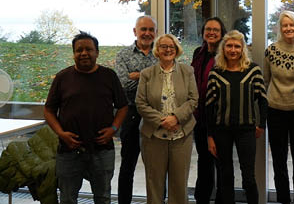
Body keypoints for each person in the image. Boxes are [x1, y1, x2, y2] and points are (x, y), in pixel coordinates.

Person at [44, 32, 128, 204]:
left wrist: (113, 129)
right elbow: (48, 110)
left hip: (102, 149)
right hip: (68, 150)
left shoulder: (109, 76)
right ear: (73, 53)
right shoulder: (62, 77)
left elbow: (123, 106)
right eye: (79, 50)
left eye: (88, 49)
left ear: (97, 52)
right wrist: (61, 134)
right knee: (67, 198)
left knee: (103, 197)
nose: (84, 53)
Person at [206, 30, 268, 204]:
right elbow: (209, 107)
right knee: (225, 175)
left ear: (243, 49)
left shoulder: (253, 70)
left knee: (248, 176)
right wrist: (210, 136)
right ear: (223, 48)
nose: (233, 50)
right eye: (229, 46)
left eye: (237, 46)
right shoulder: (216, 72)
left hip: (246, 130)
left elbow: (263, 101)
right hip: (221, 131)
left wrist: (261, 125)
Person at [136, 34, 198, 204]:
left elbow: (193, 99)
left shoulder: (187, 71)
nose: (168, 49)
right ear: (157, 50)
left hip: (181, 136)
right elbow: (140, 103)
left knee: (179, 184)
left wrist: (176, 118)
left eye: (171, 46)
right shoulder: (147, 74)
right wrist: (164, 120)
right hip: (154, 137)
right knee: (154, 183)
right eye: (163, 46)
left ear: (176, 49)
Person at [264, 10, 294, 204]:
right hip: (275, 111)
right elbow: (266, 82)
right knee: (279, 161)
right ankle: (283, 200)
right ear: (280, 28)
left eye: (292, 25)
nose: (288, 28)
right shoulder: (271, 51)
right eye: (285, 25)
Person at [115, 15, 158, 204]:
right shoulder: (123, 55)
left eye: (151, 30)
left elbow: (166, 82)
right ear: (135, 31)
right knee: (128, 165)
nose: (147, 33)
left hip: (156, 116)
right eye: (143, 29)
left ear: (155, 32)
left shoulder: (163, 52)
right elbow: (123, 84)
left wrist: (138, 76)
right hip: (131, 115)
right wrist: (152, 77)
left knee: (157, 167)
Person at [191, 17, 227, 204]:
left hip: (220, 118)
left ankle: (222, 200)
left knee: (221, 164)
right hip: (200, 117)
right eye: (208, 29)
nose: (211, 32)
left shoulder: (226, 55)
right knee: (203, 162)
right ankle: (201, 199)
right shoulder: (198, 53)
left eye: (216, 30)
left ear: (222, 34)